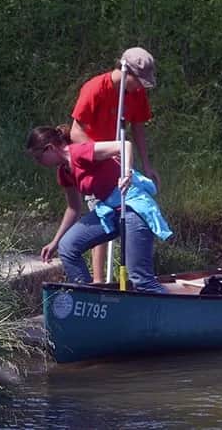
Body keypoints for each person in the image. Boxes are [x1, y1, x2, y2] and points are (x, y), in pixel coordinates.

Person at [26, 124, 171, 293]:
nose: (38, 163)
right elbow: (73, 208)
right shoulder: (64, 173)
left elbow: (124, 145)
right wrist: (55, 242)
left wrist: (126, 173)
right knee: (67, 247)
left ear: (49, 148)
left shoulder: (79, 151)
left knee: (140, 279)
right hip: (108, 212)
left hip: (131, 206)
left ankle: (171, 312)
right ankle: (87, 297)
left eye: (38, 157)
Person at [70, 47, 160, 283]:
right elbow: (75, 132)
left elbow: (138, 127)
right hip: (97, 163)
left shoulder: (136, 94)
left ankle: (131, 279)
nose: (141, 87)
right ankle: (98, 283)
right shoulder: (95, 89)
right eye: (139, 81)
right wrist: (105, 153)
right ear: (126, 72)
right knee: (102, 219)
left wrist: (147, 165)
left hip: (121, 162)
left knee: (129, 213)